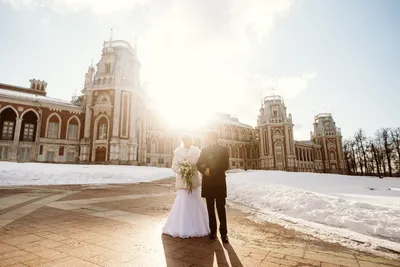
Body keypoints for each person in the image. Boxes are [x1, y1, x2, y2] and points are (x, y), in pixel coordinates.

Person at [162, 135, 210, 238]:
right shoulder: (178, 152)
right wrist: (183, 170)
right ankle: (181, 227)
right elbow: (174, 166)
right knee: (183, 203)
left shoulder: (197, 151)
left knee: (195, 202)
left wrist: (193, 169)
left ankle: (198, 227)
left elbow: (201, 164)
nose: (189, 142)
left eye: (190, 140)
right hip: (182, 181)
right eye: (186, 140)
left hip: (194, 181)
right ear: (183, 141)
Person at [197, 131, 230, 243]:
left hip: (219, 182)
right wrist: (204, 171)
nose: (206, 139)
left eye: (208, 137)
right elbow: (199, 164)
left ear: (214, 138)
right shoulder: (204, 150)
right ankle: (213, 232)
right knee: (210, 209)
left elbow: (225, 165)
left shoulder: (223, 149)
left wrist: (211, 171)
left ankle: (224, 234)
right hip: (207, 182)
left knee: (221, 209)